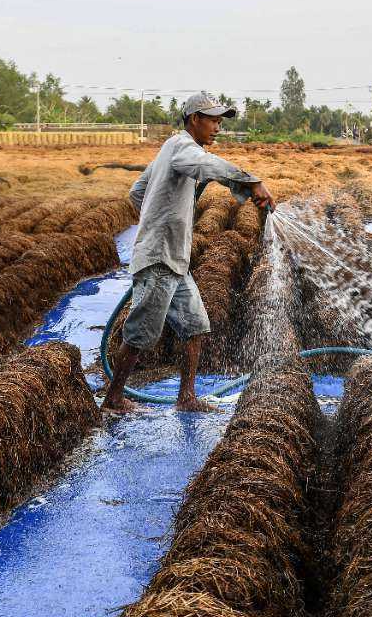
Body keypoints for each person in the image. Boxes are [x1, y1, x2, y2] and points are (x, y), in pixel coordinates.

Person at [102, 91, 274, 413]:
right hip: (158, 258)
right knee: (141, 334)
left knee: (195, 325)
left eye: (221, 121)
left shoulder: (170, 148)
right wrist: (252, 182)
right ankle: (113, 399)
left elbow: (137, 191)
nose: (218, 128)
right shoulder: (183, 148)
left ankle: (187, 398)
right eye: (213, 120)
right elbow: (206, 165)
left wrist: (162, 215)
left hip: (173, 260)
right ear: (194, 119)